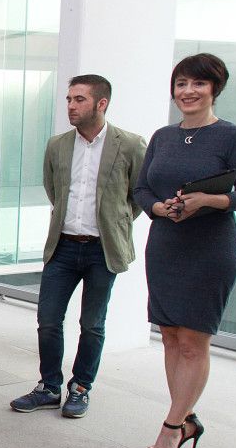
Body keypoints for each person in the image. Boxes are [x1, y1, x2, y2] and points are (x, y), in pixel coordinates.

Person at [135, 53, 236, 448]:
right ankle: (186, 418)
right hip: (166, 244)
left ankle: (171, 428)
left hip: (210, 248)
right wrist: (157, 209)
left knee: (193, 340)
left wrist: (209, 199)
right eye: (181, 84)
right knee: (170, 335)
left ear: (214, 89)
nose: (187, 92)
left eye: (198, 85)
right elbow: (142, 190)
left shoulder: (232, 137)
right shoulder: (162, 137)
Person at [10, 75, 146, 419]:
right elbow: (53, 188)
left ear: (102, 104)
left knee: (92, 324)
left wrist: (118, 220)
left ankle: (81, 387)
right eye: (69, 99)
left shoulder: (129, 144)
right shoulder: (57, 145)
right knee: (48, 319)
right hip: (64, 246)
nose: (71, 105)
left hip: (103, 250)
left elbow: (139, 195)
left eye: (79, 99)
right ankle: (49, 387)